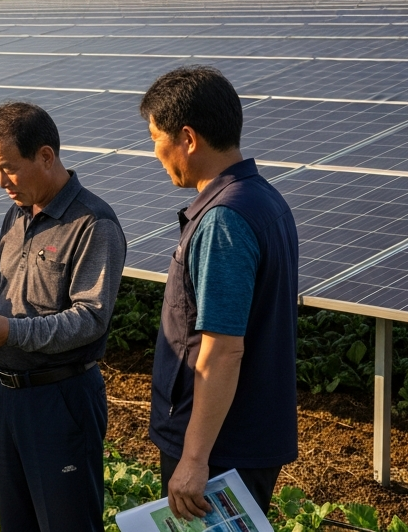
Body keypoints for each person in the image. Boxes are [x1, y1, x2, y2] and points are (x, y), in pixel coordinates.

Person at [0, 101, 125, 532]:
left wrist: (11, 332)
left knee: (66, 522)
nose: (2, 182)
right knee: (16, 521)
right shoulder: (16, 215)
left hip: (61, 398)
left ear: (45, 156)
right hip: (9, 397)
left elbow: (90, 318)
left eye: (9, 168)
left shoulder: (93, 224)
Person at [139, 66, 299, 519]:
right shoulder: (264, 199)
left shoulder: (223, 221)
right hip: (245, 436)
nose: (155, 152)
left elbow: (222, 350)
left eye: (156, 138)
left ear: (187, 138)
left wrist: (193, 459)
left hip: (220, 448)